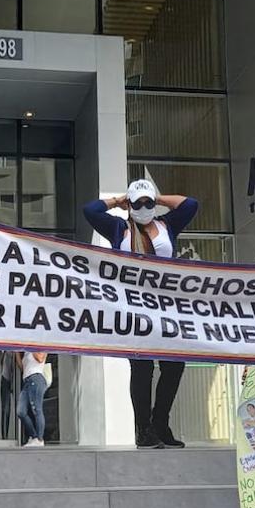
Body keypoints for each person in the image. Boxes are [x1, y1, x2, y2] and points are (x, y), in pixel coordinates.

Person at [83, 179, 199, 449]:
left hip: (167, 307)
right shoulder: (119, 228)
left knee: (174, 365)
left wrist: (158, 198)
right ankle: (143, 429)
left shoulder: (167, 225)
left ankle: (161, 423)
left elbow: (191, 205)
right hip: (133, 307)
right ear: (131, 205)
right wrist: (117, 201)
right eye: (139, 203)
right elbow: (90, 211)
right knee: (142, 366)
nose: (144, 207)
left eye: (148, 203)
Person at [17, 351, 49, 447]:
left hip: (36, 378)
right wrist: (16, 353)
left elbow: (40, 359)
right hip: (26, 381)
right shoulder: (26, 352)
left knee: (37, 410)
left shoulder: (38, 345)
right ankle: (34, 436)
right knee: (21, 411)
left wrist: (30, 346)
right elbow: (22, 368)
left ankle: (39, 439)